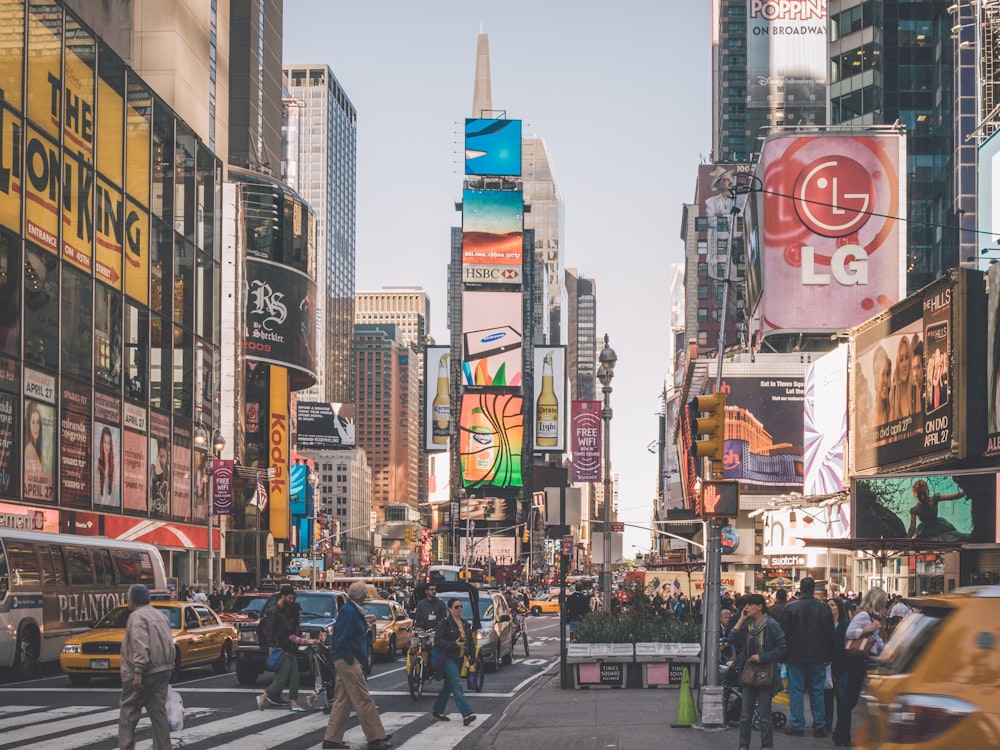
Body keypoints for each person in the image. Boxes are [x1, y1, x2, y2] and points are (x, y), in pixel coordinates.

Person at [322, 582, 391, 750]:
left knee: (342, 700)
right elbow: (341, 638)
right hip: (347, 660)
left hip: (344, 658)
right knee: (362, 698)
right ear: (362, 595)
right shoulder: (349, 612)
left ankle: (332, 739)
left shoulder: (350, 610)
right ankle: (375, 737)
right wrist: (351, 659)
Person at [725, 593, 786, 750]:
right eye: (746, 604)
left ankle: (766, 746)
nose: (746, 607)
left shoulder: (771, 625)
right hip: (748, 672)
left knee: (765, 716)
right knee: (745, 716)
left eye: (750, 604)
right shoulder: (748, 625)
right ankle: (743, 746)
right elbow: (730, 639)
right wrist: (741, 619)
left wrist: (763, 656)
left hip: (766, 672)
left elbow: (782, 648)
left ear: (760, 606)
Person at [118, 583, 174, 750]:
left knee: (128, 711)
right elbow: (170, 642)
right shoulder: (160, 615)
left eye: (128, 598)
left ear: (132, 600)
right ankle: (163, 747)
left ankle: (126, 746)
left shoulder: (137, 617)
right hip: (163, 669)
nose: (127, 601)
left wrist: (138, 672)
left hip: (146, 671)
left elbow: (140, 644)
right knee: (158, 714)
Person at [780, 577, 834, 738]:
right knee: (817, 691)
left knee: (796, 690)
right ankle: (819, 725)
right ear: (813, 589)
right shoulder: (824, 609)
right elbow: (830, 634)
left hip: (795, 656)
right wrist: (829, 655)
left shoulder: (791, 608)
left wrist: (783, 656)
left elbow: (784, 634)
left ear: (801, 589)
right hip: (818, 656)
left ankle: (797, 725)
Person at [834, 588, 887, 747]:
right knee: (851, 699)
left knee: (852, 699)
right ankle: (842, 735)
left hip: (865, 660)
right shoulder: (864, 615)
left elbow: (876, 640)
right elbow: (850, 633)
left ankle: (841, 735)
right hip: (857, 660)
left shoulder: (871, 616)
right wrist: (870, 629)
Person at [256, 585, 315, 712]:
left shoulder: (288, 610)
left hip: (288, 647)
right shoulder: (274, 611)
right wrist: (271, 647)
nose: (291, 600)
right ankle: (264, 696)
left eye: (293, 599)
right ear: (282, 596)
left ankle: (293, 702)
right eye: (289, 598)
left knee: (293, 677)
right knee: (281, 679)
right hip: (281, 647)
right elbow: (271, 631)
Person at [431, 597, 477, 726]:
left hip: (460, 658)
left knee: (448, 686)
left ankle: (438, 710)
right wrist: (453, 644)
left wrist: (472, 658)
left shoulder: (465, 623)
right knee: (457, 685)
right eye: (456, 607)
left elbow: (470, 643)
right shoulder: (445, 623)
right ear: (450, 609)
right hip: (448, 658)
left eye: (461, 606)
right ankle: (467, 713)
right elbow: (438, 640)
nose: (459, 609)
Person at [824, 597, 849, 736]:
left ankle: (840, 726)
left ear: (838, 608)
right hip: (828, 664)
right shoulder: (824, 624)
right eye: (828, 605)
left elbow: (845, 645)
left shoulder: (845, 624)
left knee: (841, 696)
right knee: (827, 696)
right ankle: (827, 724)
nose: (830, 607)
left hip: (841, 664)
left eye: (832, 605)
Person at [890, 335, 913, 421]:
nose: (904, 364)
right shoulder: (893, 393)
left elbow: (919, 428)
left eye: (906, 357)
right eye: (901, 359)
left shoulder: (915, 391)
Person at [872, 344, 892, 428]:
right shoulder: (870, 418)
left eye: (888, 374)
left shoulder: (893, 413)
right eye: (883, 374)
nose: (886, 380)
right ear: (876, 378)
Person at [96, 426, 116, 506]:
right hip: (101, 498)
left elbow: (114, 484)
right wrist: (100, 501)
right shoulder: (99, 462)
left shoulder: (112, 464)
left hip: (109, 498)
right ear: (102, 443)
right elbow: (97, 486)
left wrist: (111, 500)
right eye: (105, 442)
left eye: (108, 443)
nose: (106, 446)